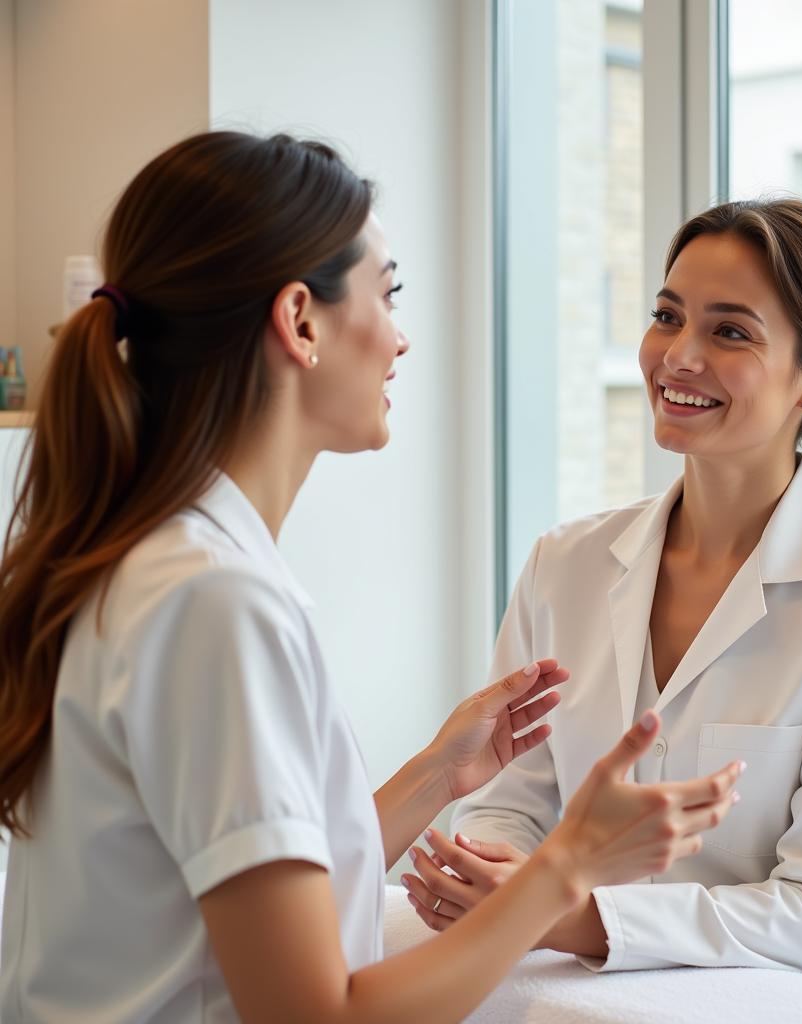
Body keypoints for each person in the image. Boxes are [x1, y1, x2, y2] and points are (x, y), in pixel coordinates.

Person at [0, 132, 744, 1023]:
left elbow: (249, 876)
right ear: (301, 322)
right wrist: (569, 865)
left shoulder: (158, 561)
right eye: (388, 294)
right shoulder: (213, 603)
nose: (400, 336)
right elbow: (320, 1016)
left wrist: (437, 771)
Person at [407, 198, 802, 990]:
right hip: (585, 981)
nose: (678, 356)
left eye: (730, 331)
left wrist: (564, 914)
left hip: (788, 997)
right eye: (668, 316)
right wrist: (494, 868)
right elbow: (510, 800)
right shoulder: (566, 564)